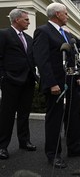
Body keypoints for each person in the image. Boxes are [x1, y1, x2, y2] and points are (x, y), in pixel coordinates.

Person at [33, 2, 80, 168]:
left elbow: (74, 55)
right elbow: (42, 60)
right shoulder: (43, 32)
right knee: (55, 120)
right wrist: (51, 83)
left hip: (71, 82)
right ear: (57, 14)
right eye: (66, 13)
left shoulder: (65, 33)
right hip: (56, 85)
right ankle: (53, 154)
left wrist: (78, 77)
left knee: (73, 117)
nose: (68, 16)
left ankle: (74, 147)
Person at [0, 9, 37, 160]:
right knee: (6, 115)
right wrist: (3, 77)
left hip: (28, 81)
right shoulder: (3, 34)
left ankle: (24, 141)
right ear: (16, 20)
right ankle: (2, 146)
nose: (29, 22)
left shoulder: (28, 38)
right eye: (26, 20)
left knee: (24, 113)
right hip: (10, 81)